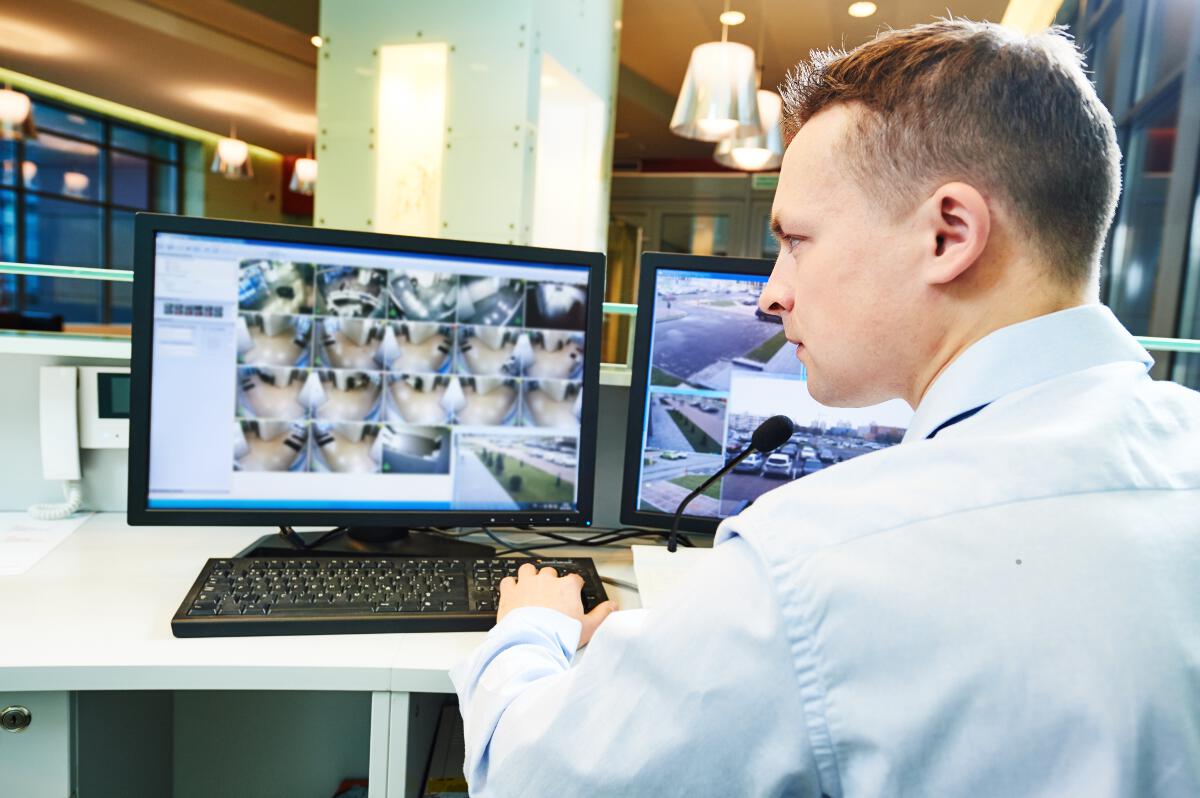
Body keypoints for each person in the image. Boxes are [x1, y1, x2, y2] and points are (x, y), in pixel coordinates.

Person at [450, 19, 1200, 797]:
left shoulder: (818, 562)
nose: (772, 293)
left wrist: (532, 629)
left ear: (948, 235)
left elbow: (525, 775)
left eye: (797, 240)